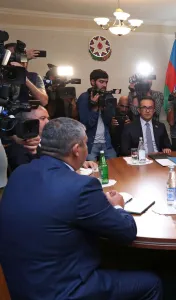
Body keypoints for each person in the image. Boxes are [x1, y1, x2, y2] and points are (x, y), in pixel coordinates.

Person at [0, 118, 162, 299]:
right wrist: (117, 207)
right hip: (62, 290)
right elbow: (126, 231)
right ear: (76, 150)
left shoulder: (19, 173)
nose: (87, 147)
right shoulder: (81, 187)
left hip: (21, 284)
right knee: (151, 282)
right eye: (85, 143)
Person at [5, 106, 97, 172]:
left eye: (47, 118)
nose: (48, 122)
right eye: (43, 118)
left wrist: (80, 162)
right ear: (28, 123)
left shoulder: (50, 141)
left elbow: (62, 161)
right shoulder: (18, 150)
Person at [77, 69, 117, 161]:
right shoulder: (84, 97)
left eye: (106, 82)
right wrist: (94, 108)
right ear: (92, 82)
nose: (104, 85)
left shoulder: (108, 96)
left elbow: (109, 120)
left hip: (106, 142)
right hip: (90, 143)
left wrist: (105, 108)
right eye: (101, 82)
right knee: (91, 170)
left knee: (115, 165)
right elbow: (86, 124)